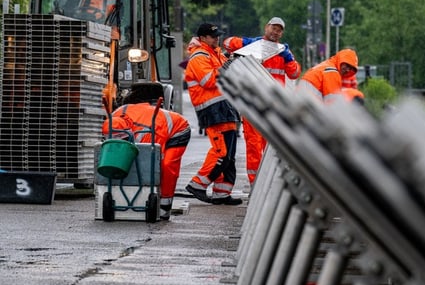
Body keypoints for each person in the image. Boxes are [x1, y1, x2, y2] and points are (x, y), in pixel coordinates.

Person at [223, 16, 301, 186]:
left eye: (279, 29)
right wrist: (247, 43)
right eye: (274, 27)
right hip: (253, 101)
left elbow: (294, 74)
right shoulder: (254, 45)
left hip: (273, 105)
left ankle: (269, 184)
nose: (276, 31)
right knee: (254, 145)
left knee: (271, 147)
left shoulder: (283, 51)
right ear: (267, 27)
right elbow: (227, 43)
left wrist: (288, 58)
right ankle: (255, 185)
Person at [101, 84, 191, 221]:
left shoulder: (155, 124)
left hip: (178, 131)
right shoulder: (116, 115)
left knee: (166, 165)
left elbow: (153, 155)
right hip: (152, 124)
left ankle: (164, 207)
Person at [183, 23, 242, 205]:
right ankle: (197, 184)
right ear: (202, 38)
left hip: (225, 108)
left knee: (229, 156)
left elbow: (228, 71)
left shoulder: (214, 54)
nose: (217, 39)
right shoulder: (199, 57)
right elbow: (208, 80)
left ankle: (221, 193)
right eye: (213, 36)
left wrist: (234, 61)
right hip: (212, 110)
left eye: (217, 36)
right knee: (221, 153)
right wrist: (230, 65)